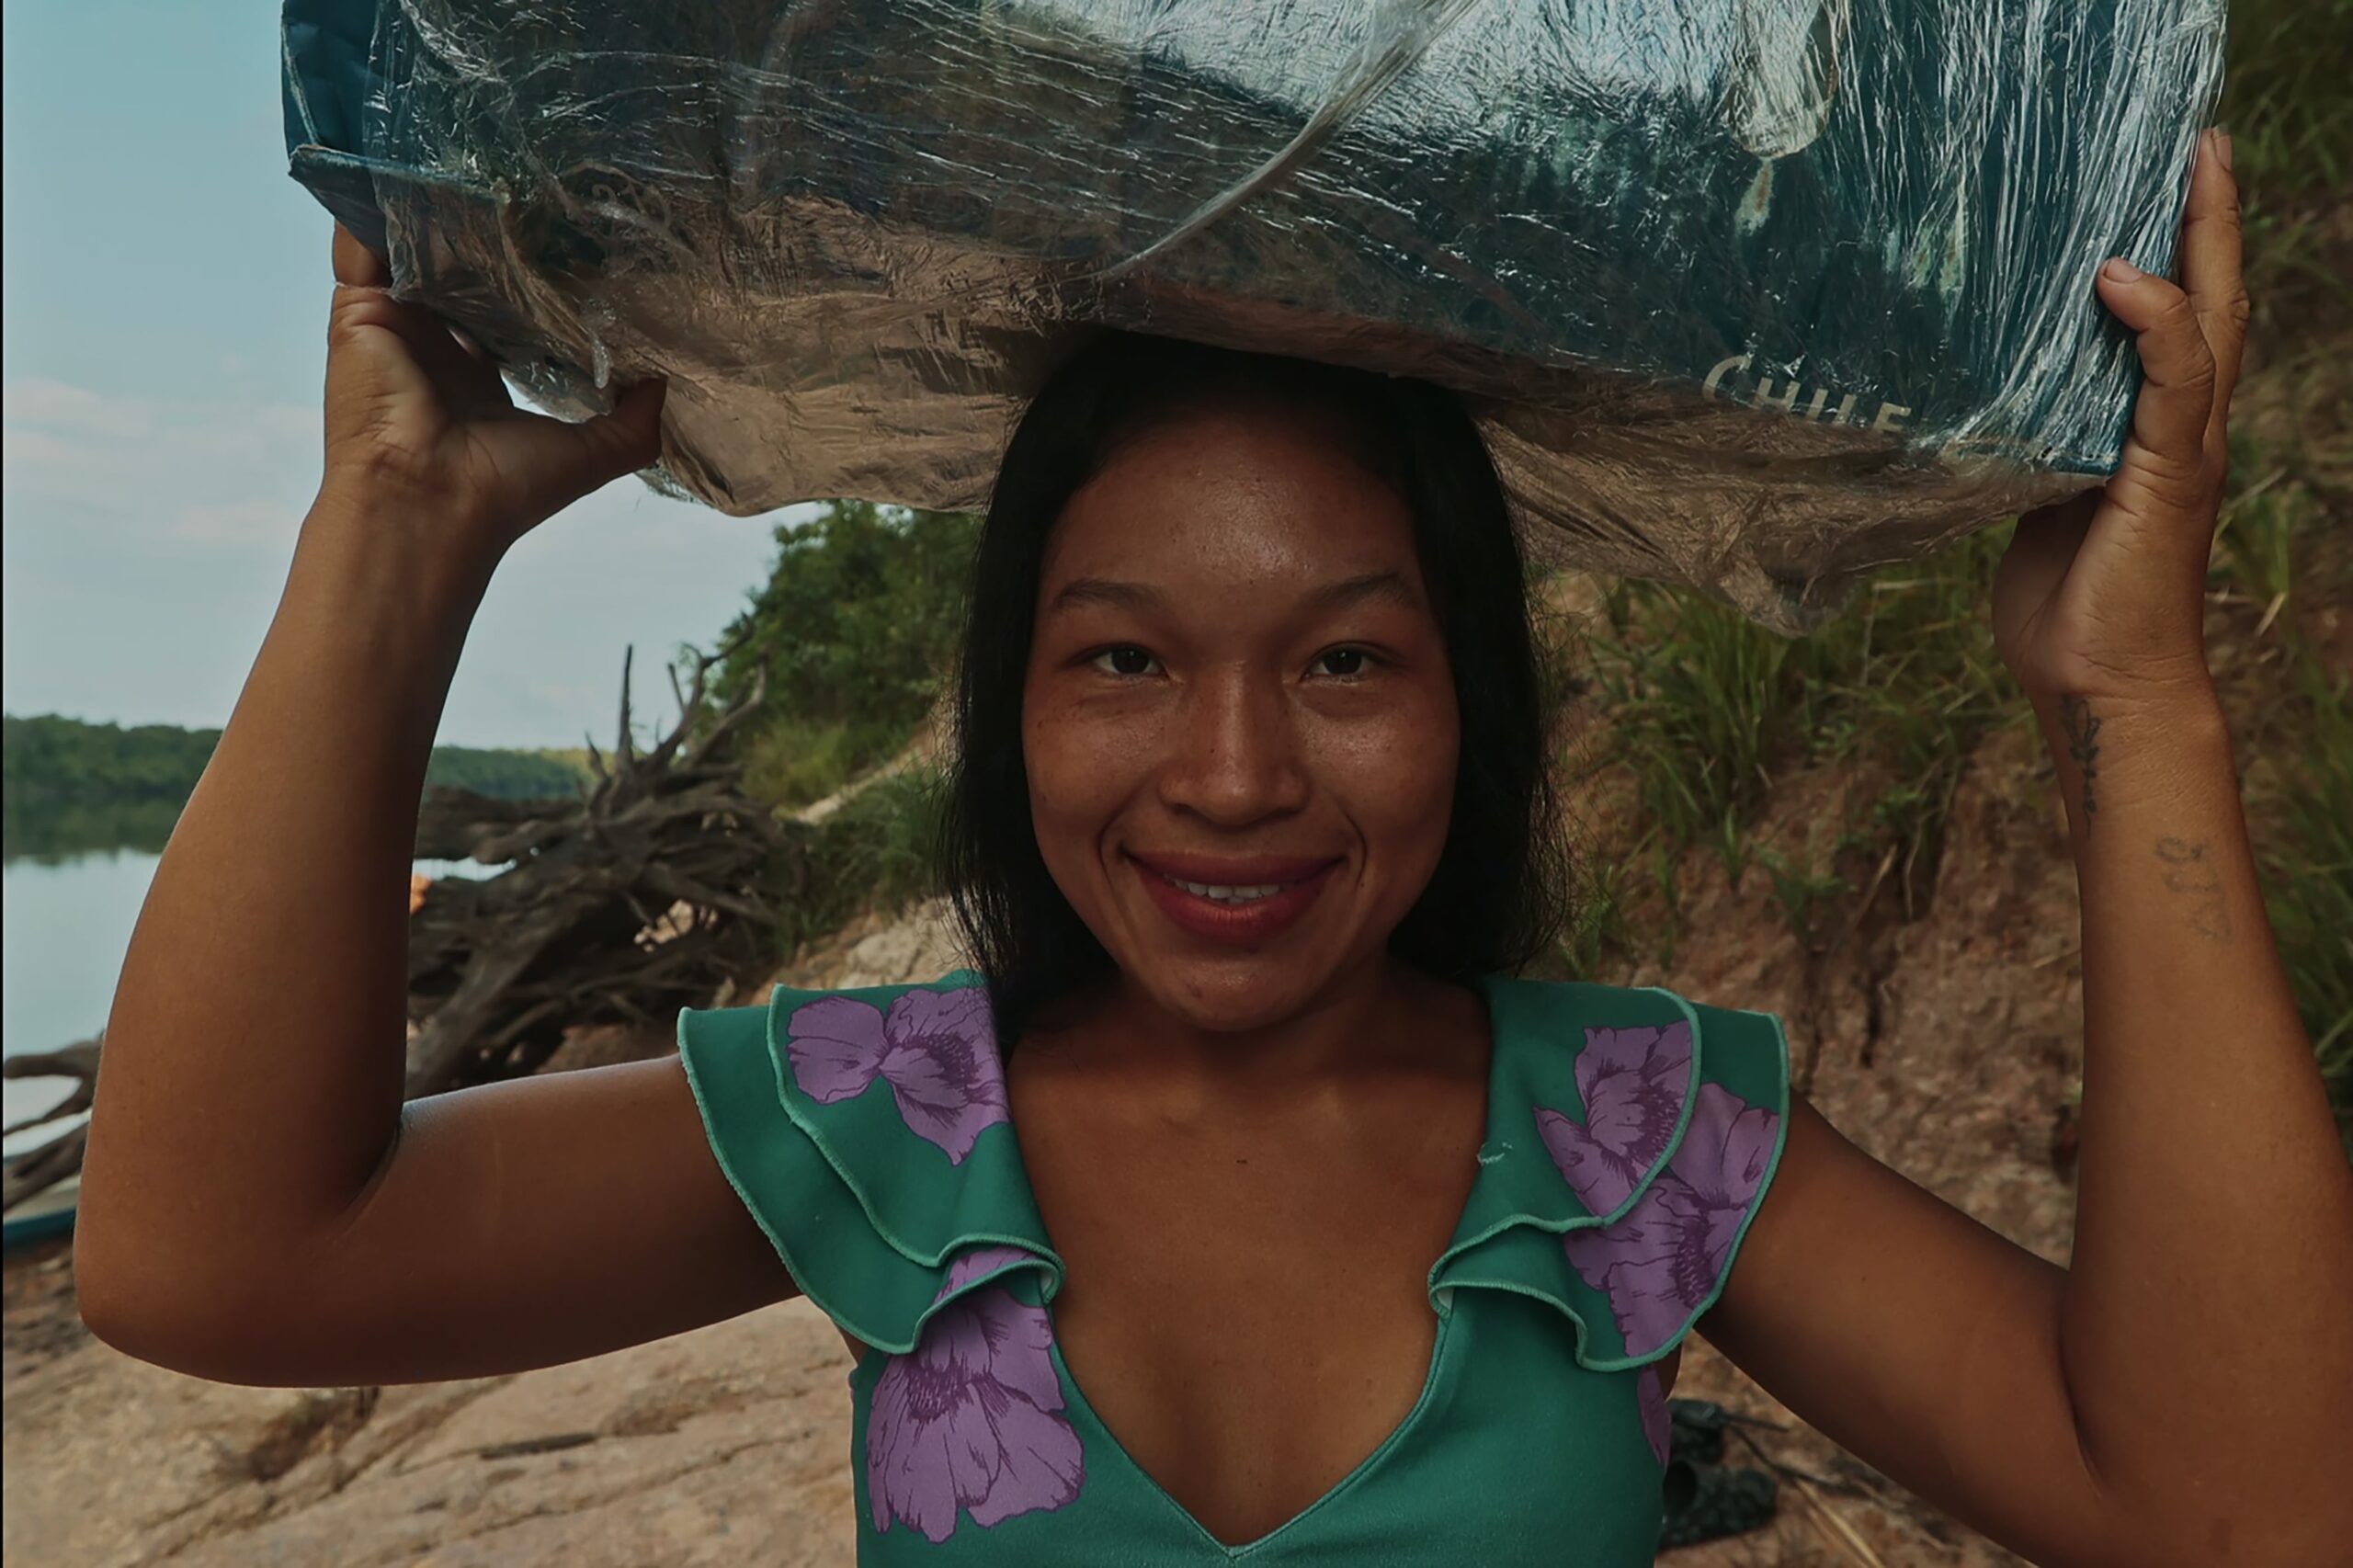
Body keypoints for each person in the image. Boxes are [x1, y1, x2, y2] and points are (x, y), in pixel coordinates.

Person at [72, 131, 2351, 1565]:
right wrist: (397, 527)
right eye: (1123, 660)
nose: (1233, 774)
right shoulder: (892, 1119)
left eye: (1344, 660)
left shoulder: (1633, 1133)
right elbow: (209, 1259)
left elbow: (2241, 1507)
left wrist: (2130, 698)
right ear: (1010, 703)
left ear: (1469, 702)